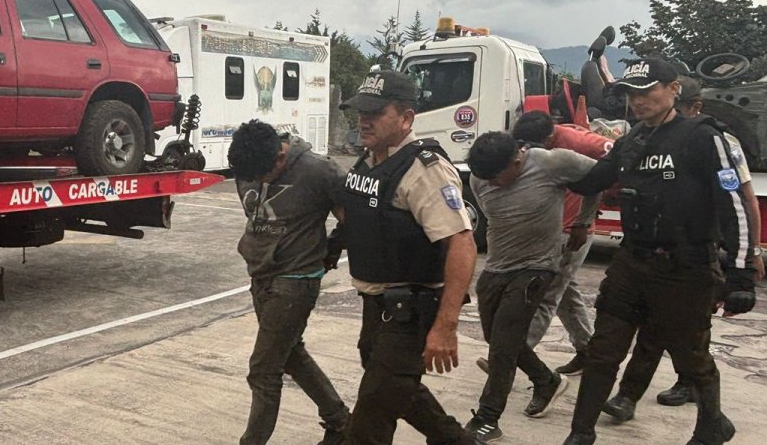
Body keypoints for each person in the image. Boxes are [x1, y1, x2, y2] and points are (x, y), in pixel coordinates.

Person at [560, 58, 757, 445]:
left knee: (691, 357)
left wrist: (741, 273)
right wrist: (540, 155)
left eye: (647, 91)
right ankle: (580, 433)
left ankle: (711, 426)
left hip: (686, 268)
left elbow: (733, 204)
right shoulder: (631, 141)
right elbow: (593, 180)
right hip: (632, 264)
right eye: (631, 94)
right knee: (603, 351)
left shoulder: (704, 137)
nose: (638, 102)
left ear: (673, 89)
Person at [600, 76, 766, 422]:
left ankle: (685, 392)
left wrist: (752, 254)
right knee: (658, 329)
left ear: (693, 106)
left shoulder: (714, 140)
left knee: (687, 331)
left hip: (701, 253)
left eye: (685, 109)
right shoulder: (649, 138)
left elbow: (744, 201)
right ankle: (635, 394)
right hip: (661, 258)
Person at [328, 70, 480, 444]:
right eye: (360, 112)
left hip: (409, 312)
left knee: (370, 418)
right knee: (397, 388)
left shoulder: (424, 170)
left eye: (376, 113)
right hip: (375, 304)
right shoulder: (370, 160)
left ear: (407, 118)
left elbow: (462, 243)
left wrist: (445, 326)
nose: (363, 120)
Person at [462, 131, 601, 441]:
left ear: (516, 160)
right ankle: (546, 380)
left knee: (502, 346)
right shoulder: (479, 177)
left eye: (497, 178)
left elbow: (598, 178)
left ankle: (488, 417)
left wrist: (583, 221)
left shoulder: (552, 162)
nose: (490, 184)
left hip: (537, 268)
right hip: (497, 266)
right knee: (495, 336)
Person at [227, 119, 350, 445]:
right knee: (291, 354)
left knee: (264, 371)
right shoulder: (250, 163)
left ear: (279, 159)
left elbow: (353, 217)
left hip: (295, 281)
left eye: (262, 176)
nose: (253, 182)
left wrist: (332, 248)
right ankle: (340, 423)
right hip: (261, 276)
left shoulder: (319, 170)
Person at [511, 111, 615, 375]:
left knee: (547, 294)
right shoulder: (535, 147)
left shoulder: (581, 143)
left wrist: (585, 220)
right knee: (566, 292)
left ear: (549, 138)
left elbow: (609, 166)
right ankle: (587, 351)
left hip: (574, 231)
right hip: (552, 229)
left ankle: (513, 355)